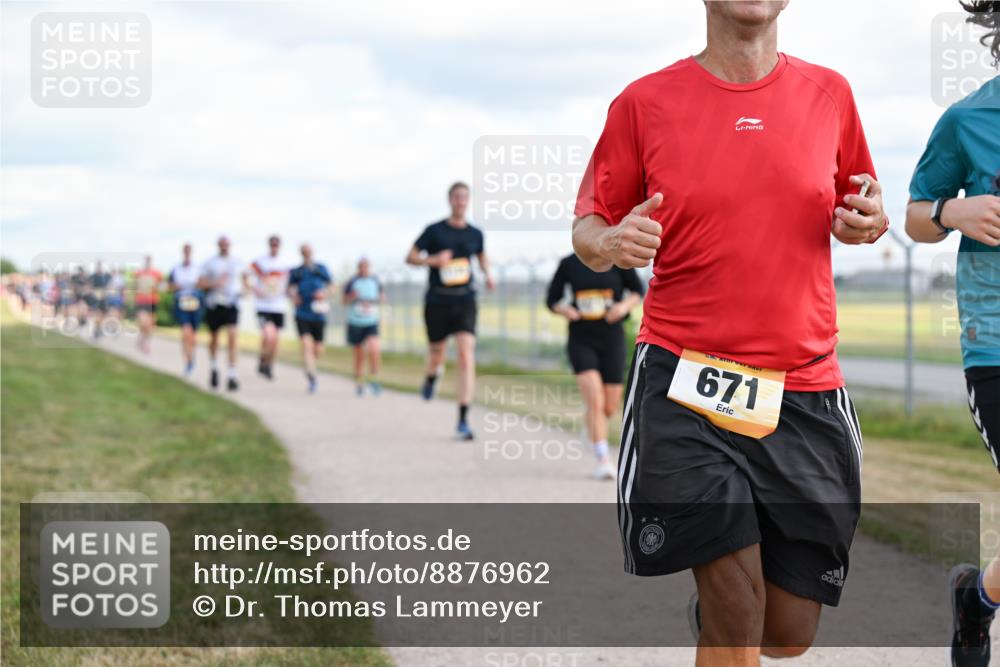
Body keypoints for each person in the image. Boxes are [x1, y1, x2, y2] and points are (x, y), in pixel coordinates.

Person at [571, 2, 887, 664]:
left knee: (787, 632)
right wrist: (613, 238)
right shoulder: (643, 102)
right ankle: (724, 613)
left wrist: (864, 220)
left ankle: (717, 619)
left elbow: (862, 203)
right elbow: (588, 227)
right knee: (739, 607)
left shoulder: (830, 93)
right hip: (685, 382)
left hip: (802, 390)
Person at [904, 3, 1000, 664]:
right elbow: (913, 215)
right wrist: (951, 210)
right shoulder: (967, 120)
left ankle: (977, 598)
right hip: (996, 346)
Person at [406, 181, 495, 440]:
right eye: (456, 197)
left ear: (468, 201)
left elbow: (481, 256)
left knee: (467, 356)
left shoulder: (475, 234)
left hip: (465, 299)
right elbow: (410, 257)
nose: (460, 201)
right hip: (437, 300)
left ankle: (463, 419)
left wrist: (488, 274)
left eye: (464, 197)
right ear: (449, 200)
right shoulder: (434, 231)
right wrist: (432, 260)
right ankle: (432, 375)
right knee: (436, 353)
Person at [546, 254, 644, 480]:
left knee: (608, 407)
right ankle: (603, 459)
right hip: (581, 338)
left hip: (612, 338)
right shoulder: (568, 264)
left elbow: (638, 290)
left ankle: (590, 426)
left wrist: (622, 306)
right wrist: (566, 310)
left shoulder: (617, 260)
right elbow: (552, 299)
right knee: (595, 398)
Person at [199, 236, 243, 391]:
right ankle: (214, 366)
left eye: (227, 244)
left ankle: (232, 374)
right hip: (214, 303)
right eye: (222, 244)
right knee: (214, 338)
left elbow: (245, 280)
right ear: (218, 245)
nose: (224, 247)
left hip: (232, 303)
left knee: (232, 336)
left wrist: (246, 290)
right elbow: (201, 283)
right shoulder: (210, 262)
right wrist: (213, 284)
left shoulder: (237, 261)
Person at [288, 244, 332, 394]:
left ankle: (309, 365)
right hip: (302, 313)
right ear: (301, 253)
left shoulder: (320, 269)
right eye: (304, 252)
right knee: (306, 344)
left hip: (318, 313)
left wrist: (324, 294)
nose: (306, 254)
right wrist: (293, 296)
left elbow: (332, 286)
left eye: (308, 251)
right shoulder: (296, 271)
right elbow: (290, 288)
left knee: (317, 349)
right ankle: (312, 377)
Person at [247, 235, 291, 380]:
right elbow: (245, 276)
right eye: (272, 244)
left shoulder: (285, 264)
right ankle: (263, 358)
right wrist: (254, 289)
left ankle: (268, 364)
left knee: (275, 340)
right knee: (268, 335)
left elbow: (289, 284)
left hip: (278, 306)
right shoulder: (260, 262)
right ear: (269, 245)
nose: (274, 247)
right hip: (263, 305)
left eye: (276, 244)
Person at [343, 257, 384, 397]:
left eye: (366, 266)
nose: (364, 269)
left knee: (374, 350)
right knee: (359, 355)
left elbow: (383, 298)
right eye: (361, 267)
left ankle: (374, 379)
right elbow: (344, 301)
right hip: (355, 322)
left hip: (371, 321)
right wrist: (352, 297)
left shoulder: (375, 281)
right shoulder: (352, 282)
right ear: (358, 268)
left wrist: (375, 301)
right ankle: (359, 382)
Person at [168, 243, 204, 377]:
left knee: (193, 337)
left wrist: (197, 285)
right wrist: (176, 286)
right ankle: (188, 362)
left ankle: (191, 359)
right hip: (181, 301)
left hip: (194, 301)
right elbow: (169, 286)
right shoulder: (176, 269)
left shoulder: (198, 268)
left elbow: (204, 284)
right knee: (185, 332)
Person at [132, 256, 162, 354]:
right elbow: (134, 285)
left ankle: (146, 342)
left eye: (149, 261)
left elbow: (161, 285)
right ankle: (142, 338)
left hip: (152, 301)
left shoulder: (156, 273)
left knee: (150, 325)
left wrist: (156, 287)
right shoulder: (138, 273)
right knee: (143, 322)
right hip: (141, 301)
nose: (148, 262)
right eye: (146, 260)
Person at [88, 261, 113, 339]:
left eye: (100, 267)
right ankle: (97, 329)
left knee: (103, 314)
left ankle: (99, 327)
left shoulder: (105, 276)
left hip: (103, 297)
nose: (98, 268)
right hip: (96, 297)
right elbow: (89, 286)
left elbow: (109, 284)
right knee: (97, 313)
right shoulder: (93, 276)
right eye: (97, 267)